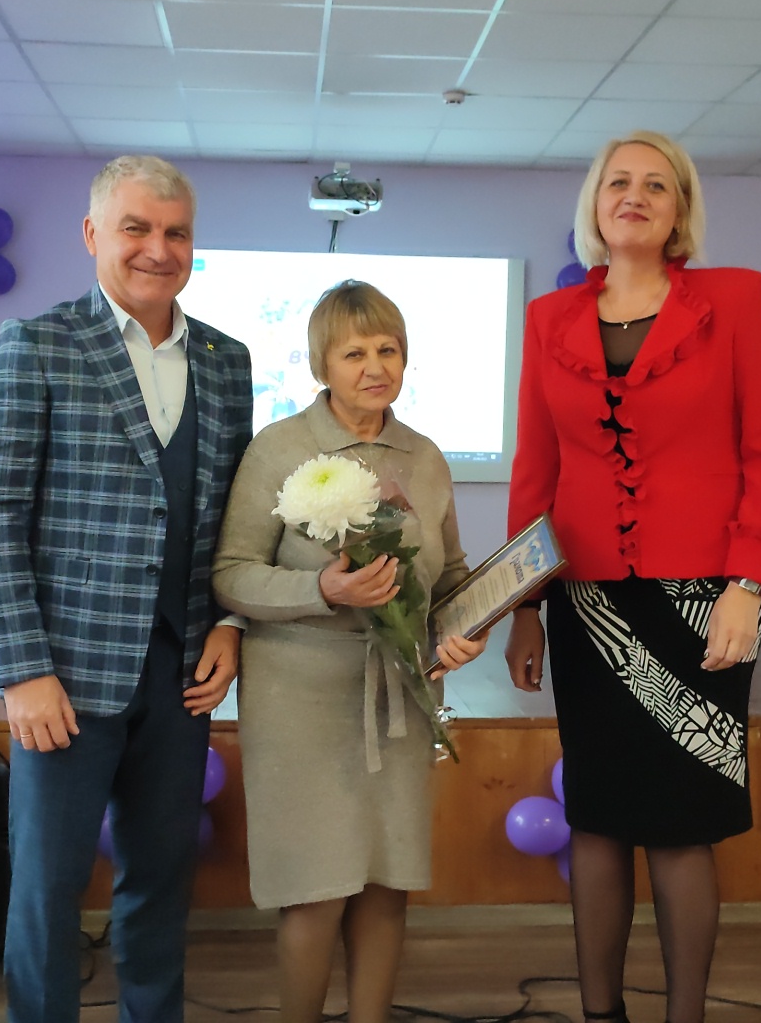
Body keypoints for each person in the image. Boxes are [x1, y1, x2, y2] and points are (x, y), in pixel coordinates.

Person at [503, 131, 761, 1023]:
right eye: (618, 182)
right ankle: (601, 1014)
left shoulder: (734, 299)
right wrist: (526, 607)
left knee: (682, 824)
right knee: (597, 819)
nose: (634, 196)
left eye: (656, 184)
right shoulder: (549, 319)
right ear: (595, 204)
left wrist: (749, 586)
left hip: (705, 600)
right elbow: (536, 470)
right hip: (586, 602)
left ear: (680, 210)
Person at [0, 154, 254, 1023]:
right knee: (47, 890)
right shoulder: (38, 344)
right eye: (136, 228)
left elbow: (236, 516)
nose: (157, 249)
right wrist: (22, 670)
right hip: (63, 675)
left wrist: (231, 622)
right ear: (93, 234)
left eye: (176, 232)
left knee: (162, 885)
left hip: (183, 677)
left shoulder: (228, 360)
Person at [210, 280, 487, 1023]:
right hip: (298, 693)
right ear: (320, 364)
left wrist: (469, 623)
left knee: (386, 883)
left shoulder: (424, 456)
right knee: (314, 889)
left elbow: (450, 576)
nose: (375, 367)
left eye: (388, 349)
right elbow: (230, 573)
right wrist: (323, 589)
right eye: (354, 353)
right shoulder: (278, 448)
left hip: (398, 691)